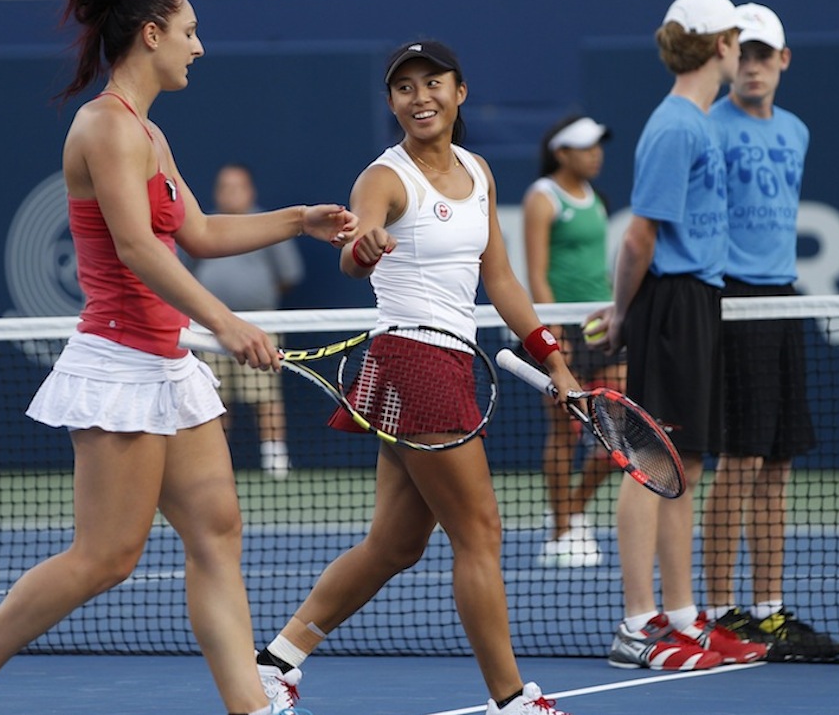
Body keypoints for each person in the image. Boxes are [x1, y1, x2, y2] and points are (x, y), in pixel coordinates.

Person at [0, 0, 356, 714]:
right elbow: (141, 250)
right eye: (189, 32)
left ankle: (251, 704)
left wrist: (297, 219)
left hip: (168, 366)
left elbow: (199, 233)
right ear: (151, 35)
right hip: (117, 365)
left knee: (217, 532)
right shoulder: (104, 126)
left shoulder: (150, 132)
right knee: (107, 557)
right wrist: (227, 323)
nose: (198, 48)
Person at [253, 40, 577, 715]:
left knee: (396, 544)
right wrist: (362, 250)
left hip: (449, 359)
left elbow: (502, 278)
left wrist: (553, 357)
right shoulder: (384, 177)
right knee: (480, 533)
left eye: (434, 82)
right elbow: (355, 248)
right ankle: (512, 700)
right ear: (392, 102)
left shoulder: (479, 171)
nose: (420, 95)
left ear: (460, 92)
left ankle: (274, 663)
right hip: (411, 359)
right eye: (405, 87)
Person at [584, 0, 768, 671]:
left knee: (682, 466)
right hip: (670, 304)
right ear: (720, 46)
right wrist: (624, 313)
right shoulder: (677, 126)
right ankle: (638, 623)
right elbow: (638, 238)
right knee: (651, 463)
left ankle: (685, 618)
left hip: (695, 300)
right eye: (735, 40)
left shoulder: (694, 122)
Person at [702, 2, 839, 661]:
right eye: (744, 53)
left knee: (778, 463)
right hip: (732, 299)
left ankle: (767, 609)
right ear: (729, 57)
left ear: (783, 60)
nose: (753, 66)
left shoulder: (799, 131)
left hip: (782, 298)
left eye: (765, 54)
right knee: (740, 459)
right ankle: (720, 610)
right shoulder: (708, 127)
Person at [521, 114, 623, 569]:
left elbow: (597, 268)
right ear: (562, 153)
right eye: (586, 147)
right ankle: (561, 529)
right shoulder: (543, 198)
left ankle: (572, 510)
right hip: (562, 328)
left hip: (602, 328)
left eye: (598, 146)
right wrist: (551, 330)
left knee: (617, 429)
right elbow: (537, 273)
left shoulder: (597, 199)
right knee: (565, 430)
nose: (596, 154)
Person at [194, 163, 305, 479]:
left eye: (237, 186)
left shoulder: (269, 225)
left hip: (259, 327)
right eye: (224, 187)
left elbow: (288, 276)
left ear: (249, 191)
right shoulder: (202, 226)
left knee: (265, 395)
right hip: (209, 329)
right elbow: (184, 271)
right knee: (213, 401)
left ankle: (275, 460)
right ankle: (214, 465)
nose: (230, 193)